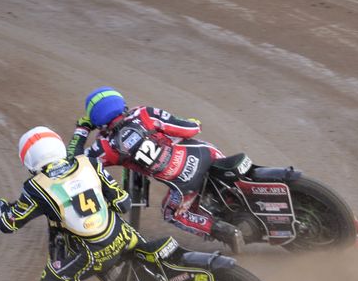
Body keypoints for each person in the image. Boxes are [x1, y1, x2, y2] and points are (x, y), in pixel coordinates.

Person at [0, 126, 181, 281]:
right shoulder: (89, 163)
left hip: (94, 253)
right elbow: (123, 203)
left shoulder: (36, 188)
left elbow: (8, 224)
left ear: (28, 159)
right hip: (125, 235)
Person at [67, 86, 244, 253]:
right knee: (213, 158)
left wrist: (82, 130)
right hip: (206, 154)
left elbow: (74, 162)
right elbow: (189, 129)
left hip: (185, 184)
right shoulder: (144, 113)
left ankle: (223, 231)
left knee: (171, 213)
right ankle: (235, 193)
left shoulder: (106, 147)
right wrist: (194, 123)